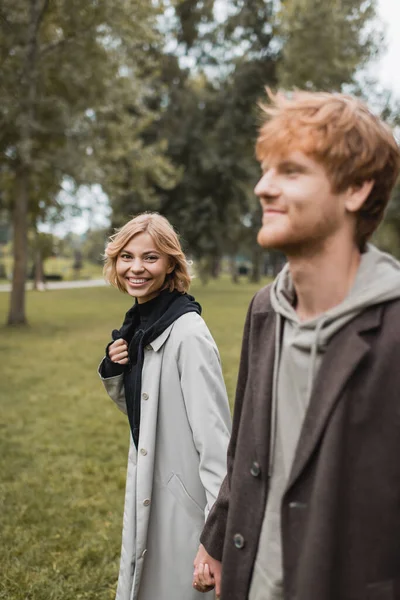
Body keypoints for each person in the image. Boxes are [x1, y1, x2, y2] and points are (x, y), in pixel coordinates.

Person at [193, 90, 400, 600]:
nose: (264, 187)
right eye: (265, 170)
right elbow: (245, 444)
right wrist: (218, 541)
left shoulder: (395, 327)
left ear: (355, 189)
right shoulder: (265, 310)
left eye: (291, 171)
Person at [98, 212, 231, 600]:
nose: (136, 267)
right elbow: (149, 410)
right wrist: (116, 368)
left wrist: (215, 534)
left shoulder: (187, 334)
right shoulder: (141, 324)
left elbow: (215, 442)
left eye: (150, 257)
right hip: (150, 485)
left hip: (184, 504)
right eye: (127, 256)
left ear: (172, 263)